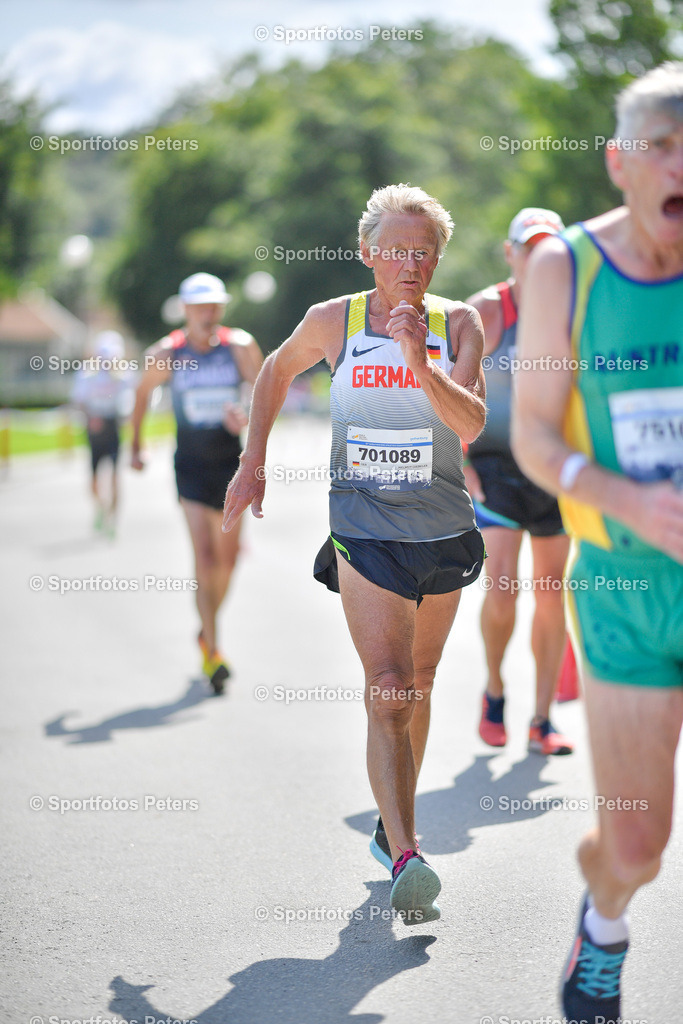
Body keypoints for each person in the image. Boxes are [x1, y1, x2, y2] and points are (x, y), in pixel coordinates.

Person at [223, 184, 486, 922]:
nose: (410, 263)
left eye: (424, 251)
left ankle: (388, 820)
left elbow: (468, 423)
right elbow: (275, 370)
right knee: (389, 681)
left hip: (439, 527)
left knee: (421, 681)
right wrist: (253, 461)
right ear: (367, 253)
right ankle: (407, 853)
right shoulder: (331, 321)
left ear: (437, 258)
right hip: (363, 529)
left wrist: (418, 360)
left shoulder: (456, 323)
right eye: (396, 250)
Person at [512, 62, 683, 1023]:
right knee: (634, 848)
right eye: (661, 144)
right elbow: (534, 433)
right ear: (620, 163)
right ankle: (604, 921)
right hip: (624, 589)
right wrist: (624, 495)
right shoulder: (563, 269)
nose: (680, 164)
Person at [464, 209, 574, 756]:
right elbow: (442, 386)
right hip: (495, 467)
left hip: (553, 467)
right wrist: (454, 459)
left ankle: (542, 718)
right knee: (503, 585)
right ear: (510, 254)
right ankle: (494, 688)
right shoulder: (488, 310)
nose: (539, 257)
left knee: (552, 594)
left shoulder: (577, 305)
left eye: (549, 246)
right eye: (528, 248)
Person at [131, 273, 263, 694]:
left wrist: (243, 413)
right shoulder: (167, 354)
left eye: (215, 306)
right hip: (189, 466)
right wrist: (135, 446)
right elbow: (140, 396)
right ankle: (214, 649)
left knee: (227, 562)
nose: (209, 314)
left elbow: (262, 395)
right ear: (185, 310)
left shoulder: (239, 346)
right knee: (204, 559)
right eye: (200, 307)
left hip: (230, 466)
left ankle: (206, 630)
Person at [72, 330, 132, 537]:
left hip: (112, 426)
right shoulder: (86, 375)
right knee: (94, 476)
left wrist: (125, 416)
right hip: (94, 427)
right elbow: (79, 401)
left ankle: (113, 520)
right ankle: (101, 508)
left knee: (116, 475)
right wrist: (91, 417)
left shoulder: (123, 376)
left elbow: (129, 402)